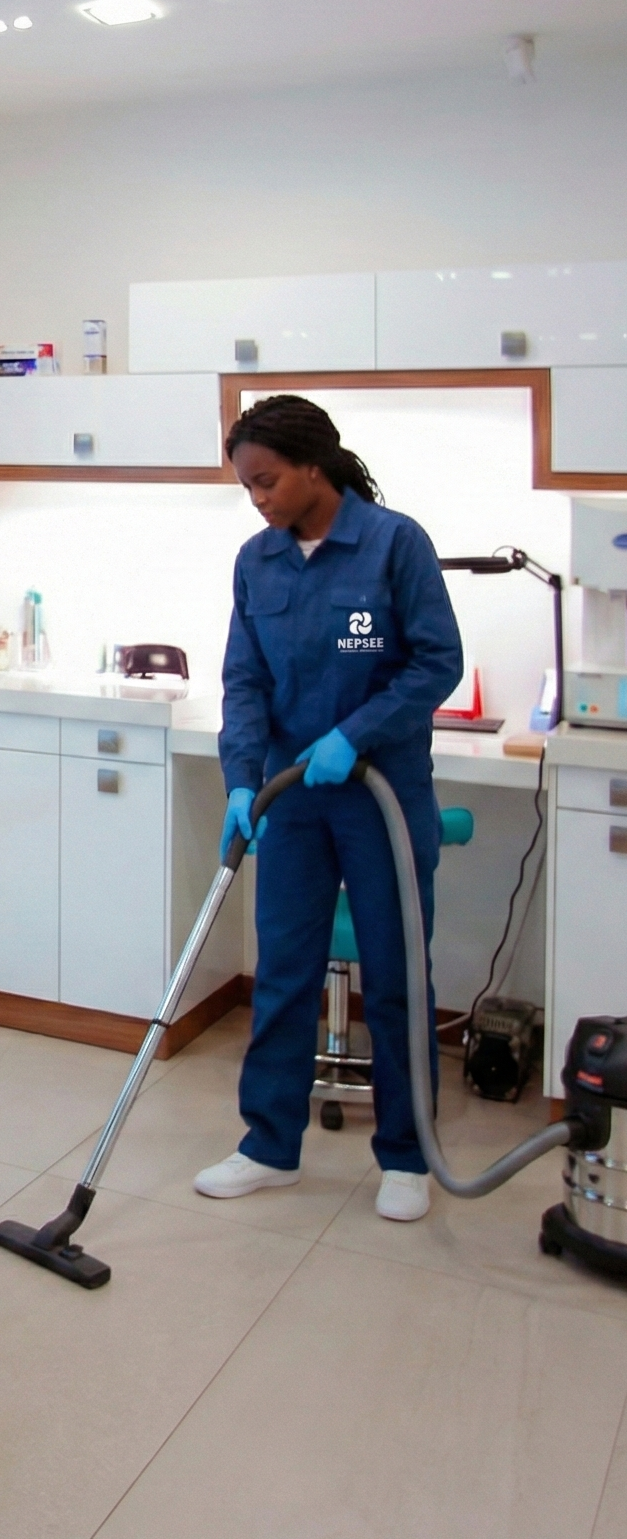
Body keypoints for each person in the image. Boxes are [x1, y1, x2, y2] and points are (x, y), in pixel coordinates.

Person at [193, 394, 462, 1224]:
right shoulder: (257, 561)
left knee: (394, 976)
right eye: (246, 486)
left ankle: (406, 1156)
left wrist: (355, 733)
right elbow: (244, 680)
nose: (257, 499)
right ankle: (268, 1145)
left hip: (380, 797)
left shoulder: (393, 544)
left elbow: (436, 662)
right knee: (282, 973)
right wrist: (241, 779)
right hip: (292, 799)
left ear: (313, 466)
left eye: (266, 480)